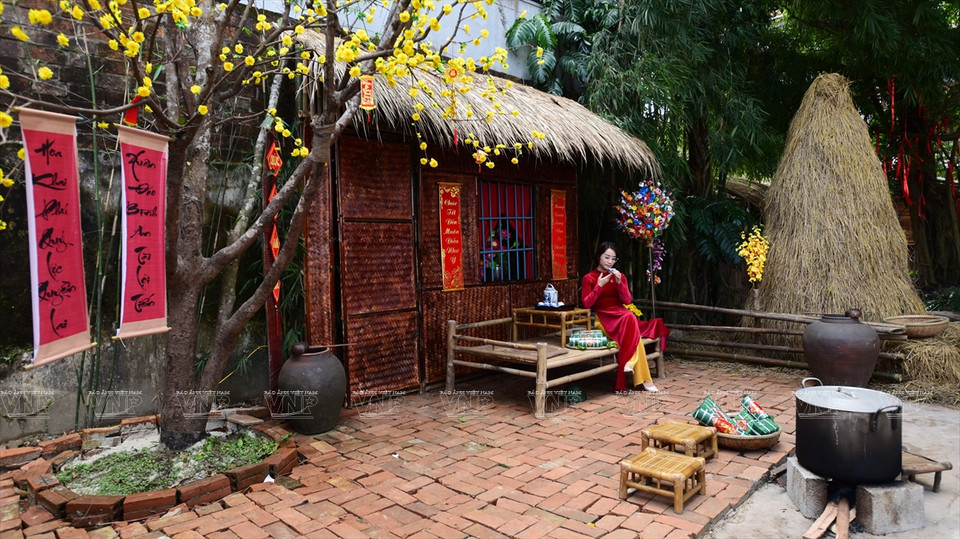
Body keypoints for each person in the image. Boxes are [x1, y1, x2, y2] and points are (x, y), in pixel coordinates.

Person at [581, 241, 659, 393]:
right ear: (599, 257)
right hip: (603, 319)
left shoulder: (619, 276)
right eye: (607, 257)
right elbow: (586, 304)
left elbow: (627, 301)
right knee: (632, 325)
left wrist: (619, 283)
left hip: (621, 316)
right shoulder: (589, 278)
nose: (609, 261)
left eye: (613, 259)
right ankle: (643, 378)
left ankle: (629, 365)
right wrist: (599, 286)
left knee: (629, 316)